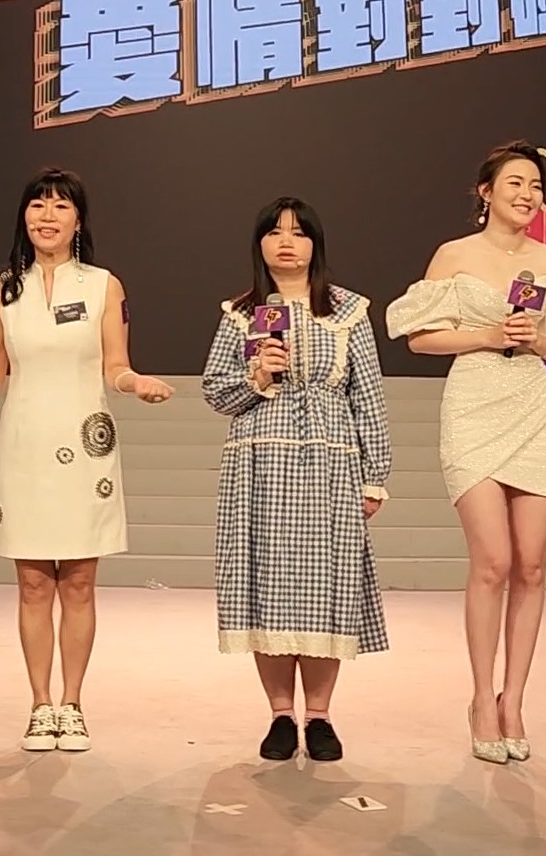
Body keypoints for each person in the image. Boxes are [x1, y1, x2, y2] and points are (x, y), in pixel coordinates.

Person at [0, 167, 175, 754]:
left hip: (84, 446)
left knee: (78, 583)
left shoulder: (104, 286)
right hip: (24, 444)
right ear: (23, 216)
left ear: (78, 219)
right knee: (32, 584)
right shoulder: (2, 289)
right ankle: (39, 706)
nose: (47, 215)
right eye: (37, 204)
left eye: (60, 205)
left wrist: (136, 384)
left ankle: (72, 705)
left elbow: (115, 366)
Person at [383, 140, 546, 765]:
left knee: (532, 565)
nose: (528, 194)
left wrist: (535, 340)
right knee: (493, 561)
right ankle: (480, 699)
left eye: (536, 186)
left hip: (533, 407)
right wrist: (488, 333)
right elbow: (419, 338)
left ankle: (513, 702)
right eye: (515, 183)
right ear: (486, 192)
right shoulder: (454, 255)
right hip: (473, 405)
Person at [201, 197, 393, 763]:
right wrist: (258, 375)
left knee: (326, 587)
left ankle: (320, 717)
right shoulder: (241, 314)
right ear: (259, 244)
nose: (286, 242)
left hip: (331, 464)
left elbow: (369, 396)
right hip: (259, 464)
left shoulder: (348, 311)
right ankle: (281, 715)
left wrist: (374, 475)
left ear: (315, 244)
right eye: (275, 232)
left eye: (298, 232)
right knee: (267, 586)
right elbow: (215, 391)